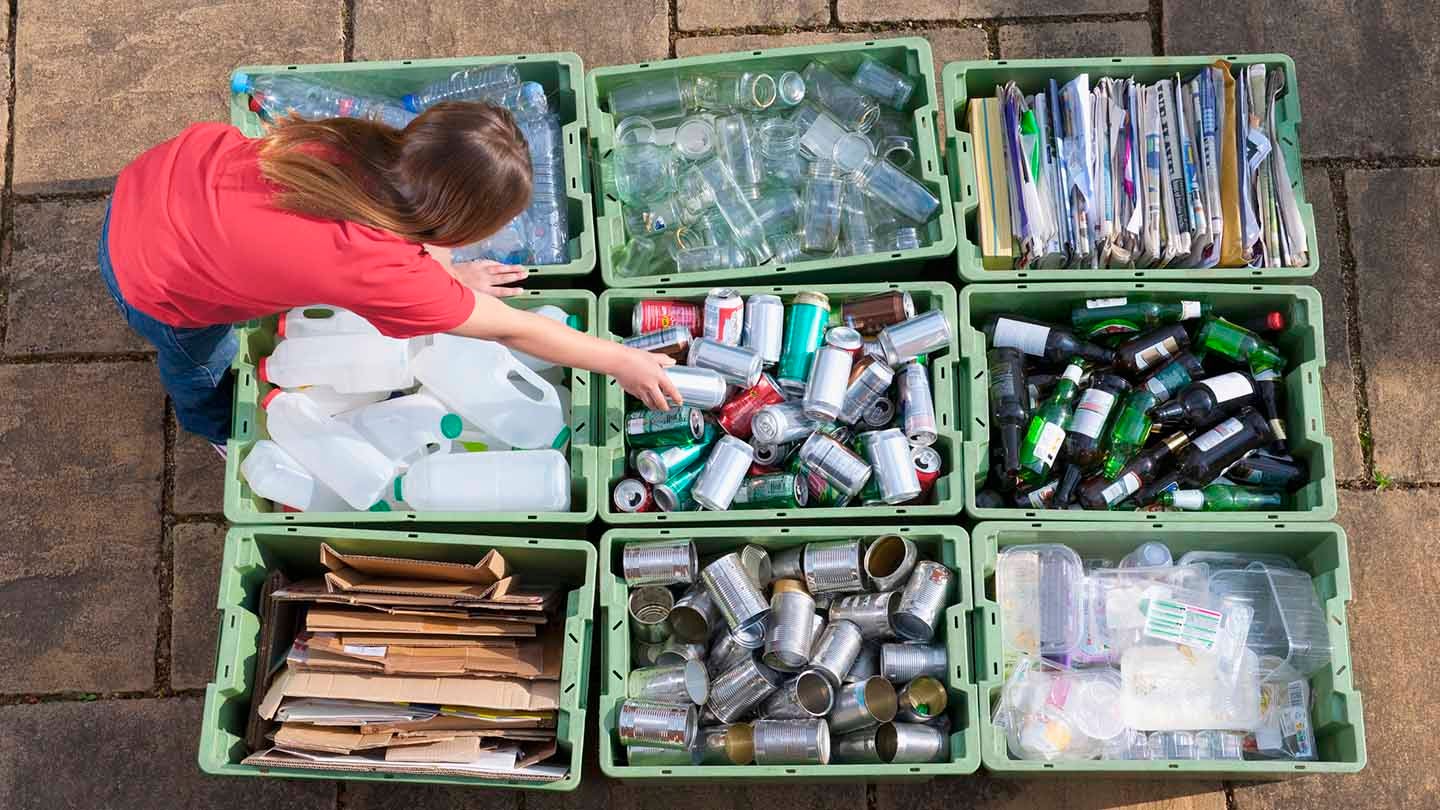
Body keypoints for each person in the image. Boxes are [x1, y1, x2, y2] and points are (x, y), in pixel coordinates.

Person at [99, 101, 680, 454]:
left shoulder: (361, 143)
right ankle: (212, 427)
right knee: (198, 360)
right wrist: (621, 361)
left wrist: (450, 281)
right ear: (456, 225)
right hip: (152, 276)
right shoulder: (382, 268)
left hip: (158, 177)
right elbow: (513, 331)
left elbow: (387, 239)